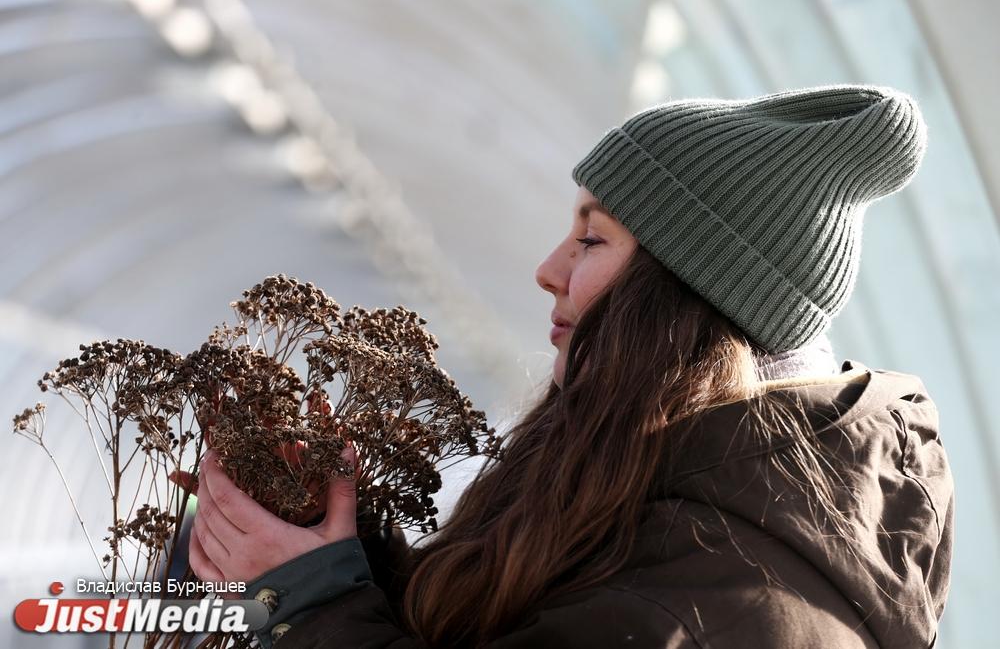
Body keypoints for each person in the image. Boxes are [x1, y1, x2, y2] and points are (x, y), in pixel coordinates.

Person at [188, 84, 954, 648]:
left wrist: (311, 602)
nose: (548, 269)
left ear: (683, 290)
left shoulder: (717, 597)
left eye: (591, 240)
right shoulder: (681, 498)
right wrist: (337, 548)